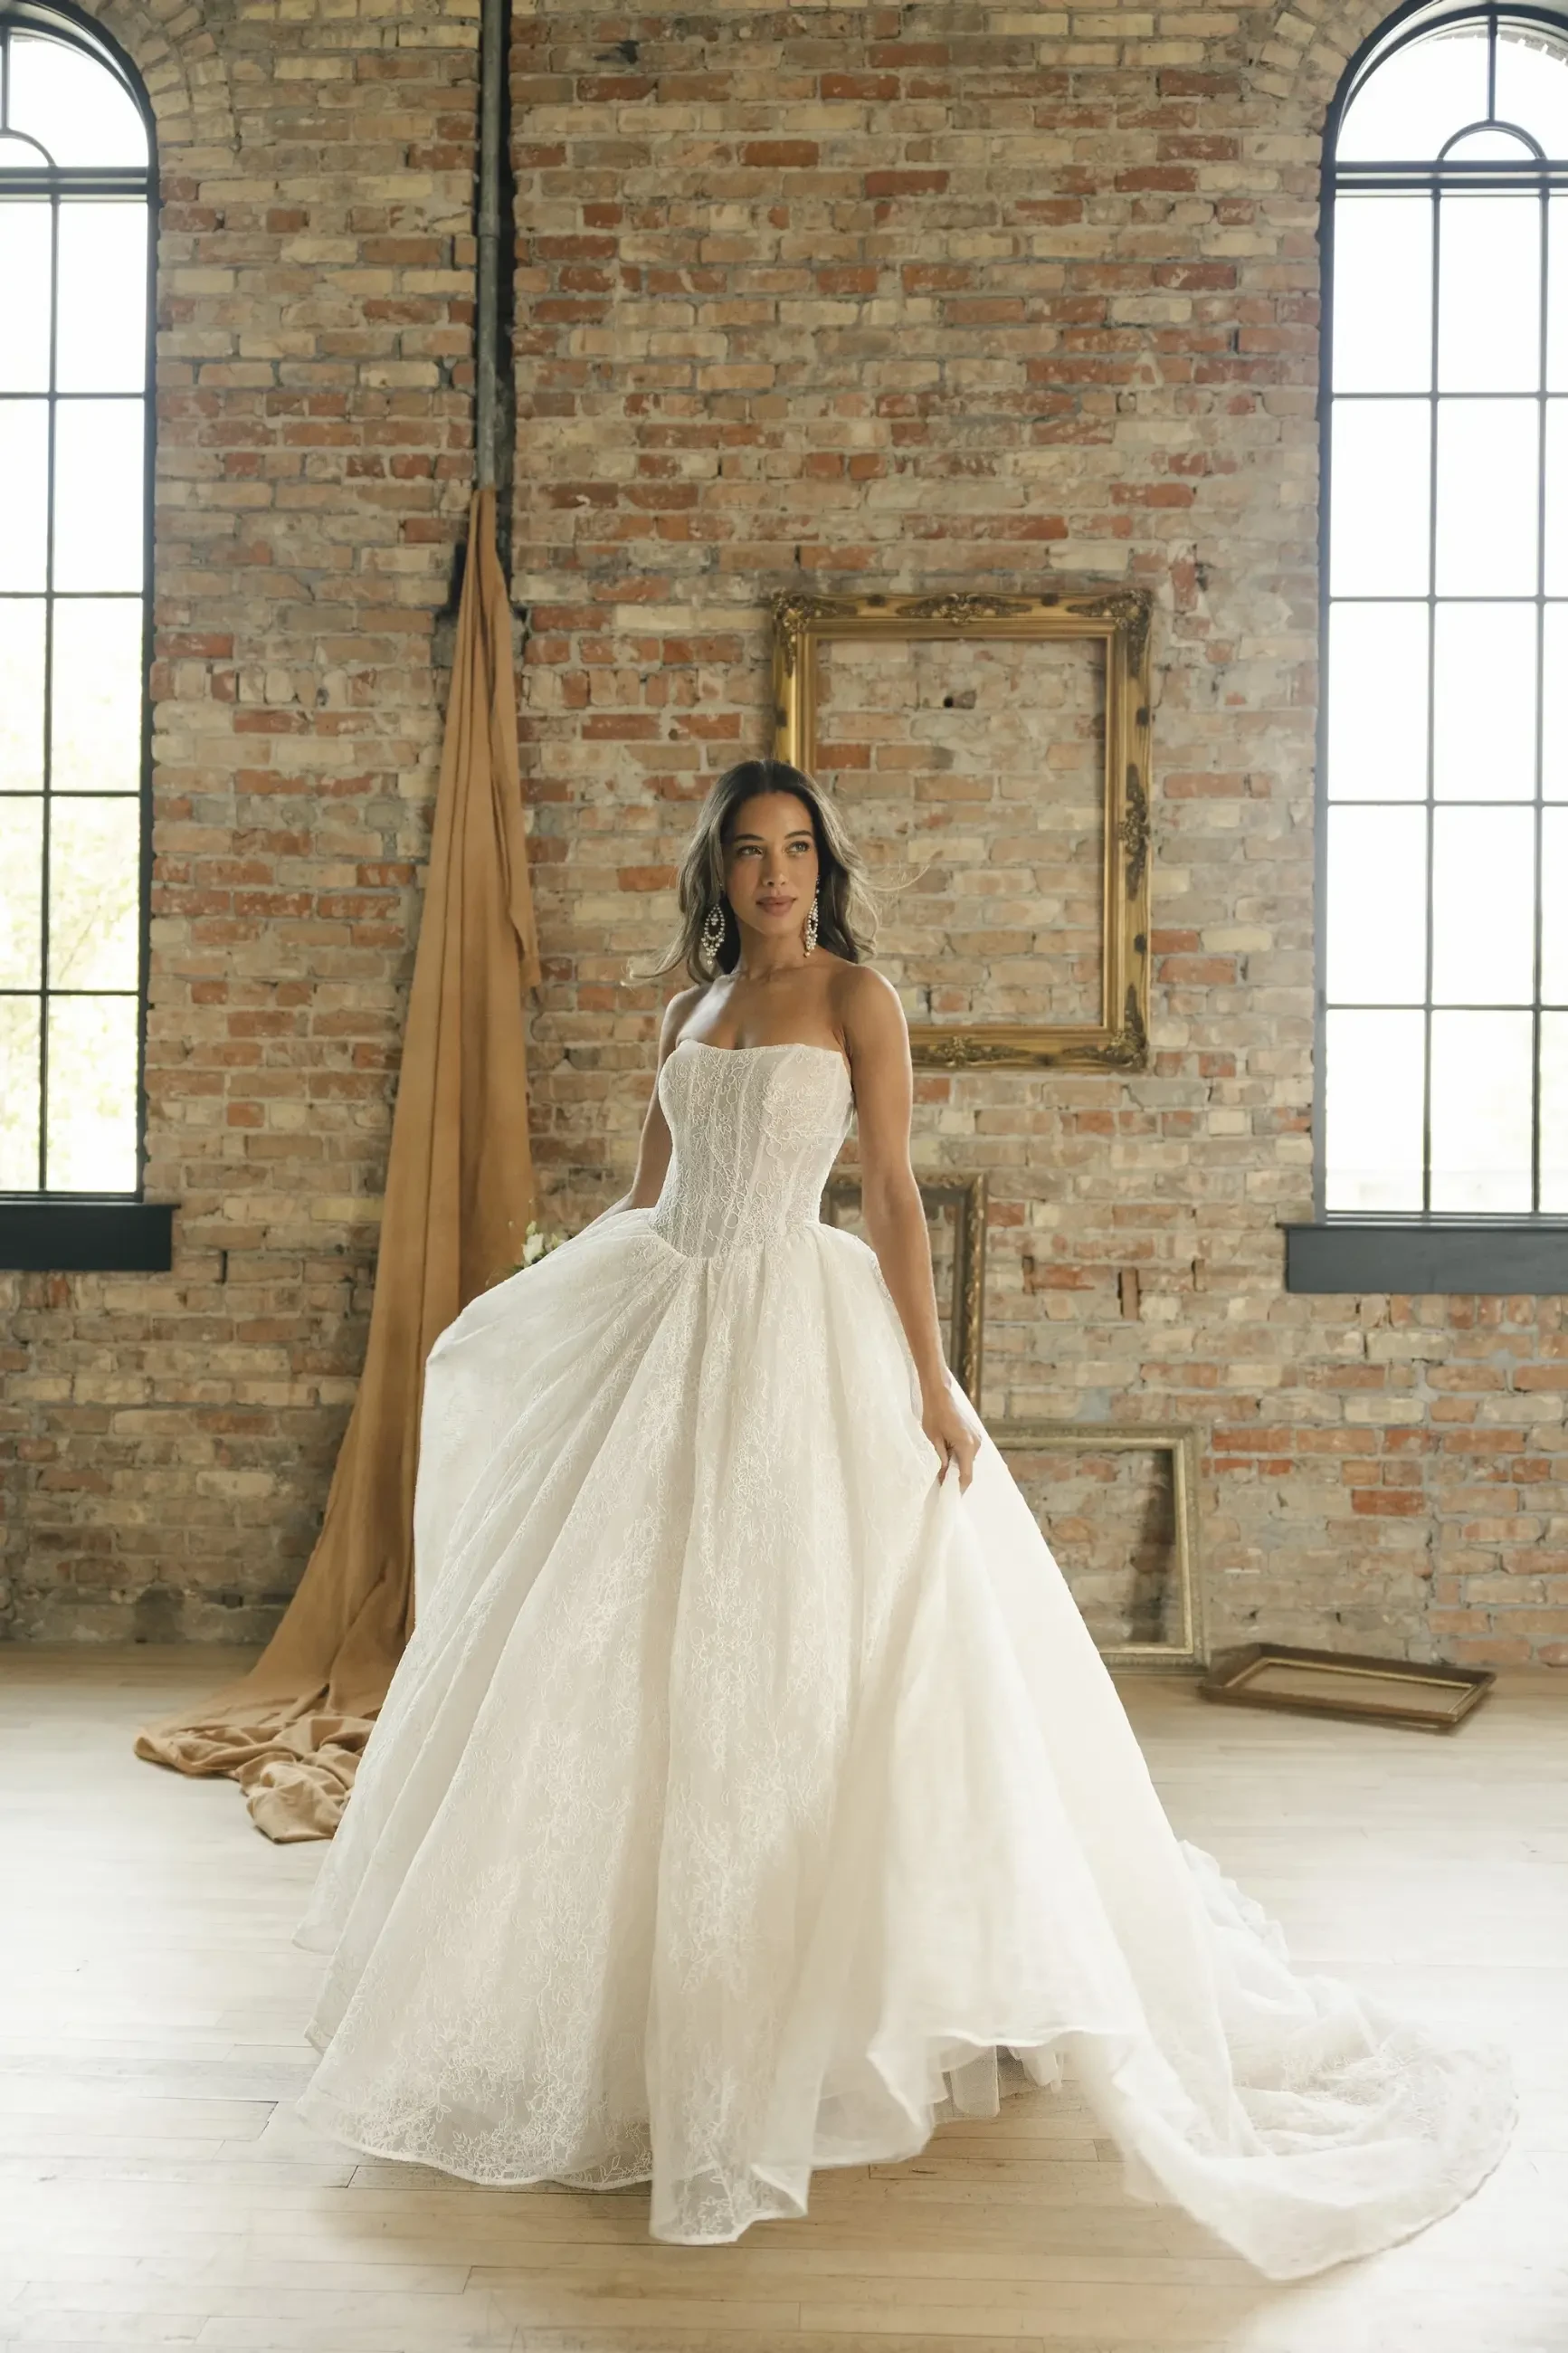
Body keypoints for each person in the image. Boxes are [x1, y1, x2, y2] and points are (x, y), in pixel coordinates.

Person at [294, 758, 1512, 2275]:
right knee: (622, 1666)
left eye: (798, 851)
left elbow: (884, 1193)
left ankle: (839, 1998)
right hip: (666, 1323)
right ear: (720, 872)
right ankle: (624, 2009)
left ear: (823, 867)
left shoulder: (857, 1002)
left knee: (820, 1653)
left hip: (800, 1336)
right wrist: (540, 1303)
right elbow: (645, 1196)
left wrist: (933, 1381)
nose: (777, 876)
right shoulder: (682, 1015)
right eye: (752, 854)